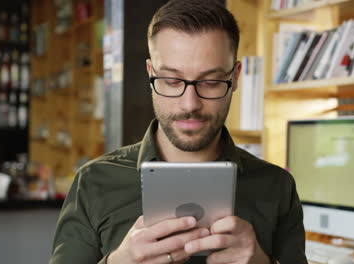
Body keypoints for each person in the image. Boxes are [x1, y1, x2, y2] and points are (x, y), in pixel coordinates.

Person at [50, 0, 307, 263]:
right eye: (172, 81)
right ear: (151, 73)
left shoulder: (278, 188)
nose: (190, 104)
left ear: (235, 77)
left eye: (210, 82)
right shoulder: (93, 182)